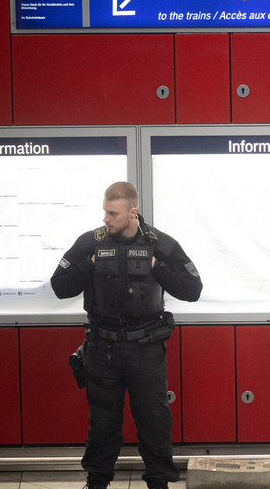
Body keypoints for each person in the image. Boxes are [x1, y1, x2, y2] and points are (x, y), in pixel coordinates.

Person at [51, 181, 202, 489]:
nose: (105, 219)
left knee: (153, 421)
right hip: (102, 348)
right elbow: (59, 286)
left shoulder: (160, 244)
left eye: (112, 213)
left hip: (145, 348)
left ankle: (158, 482)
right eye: (104, 212)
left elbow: (193, 290)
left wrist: (157, 266)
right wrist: (91, 263)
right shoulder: (90, 243)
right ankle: (97, 481)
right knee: (102, 423)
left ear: (132, 212)